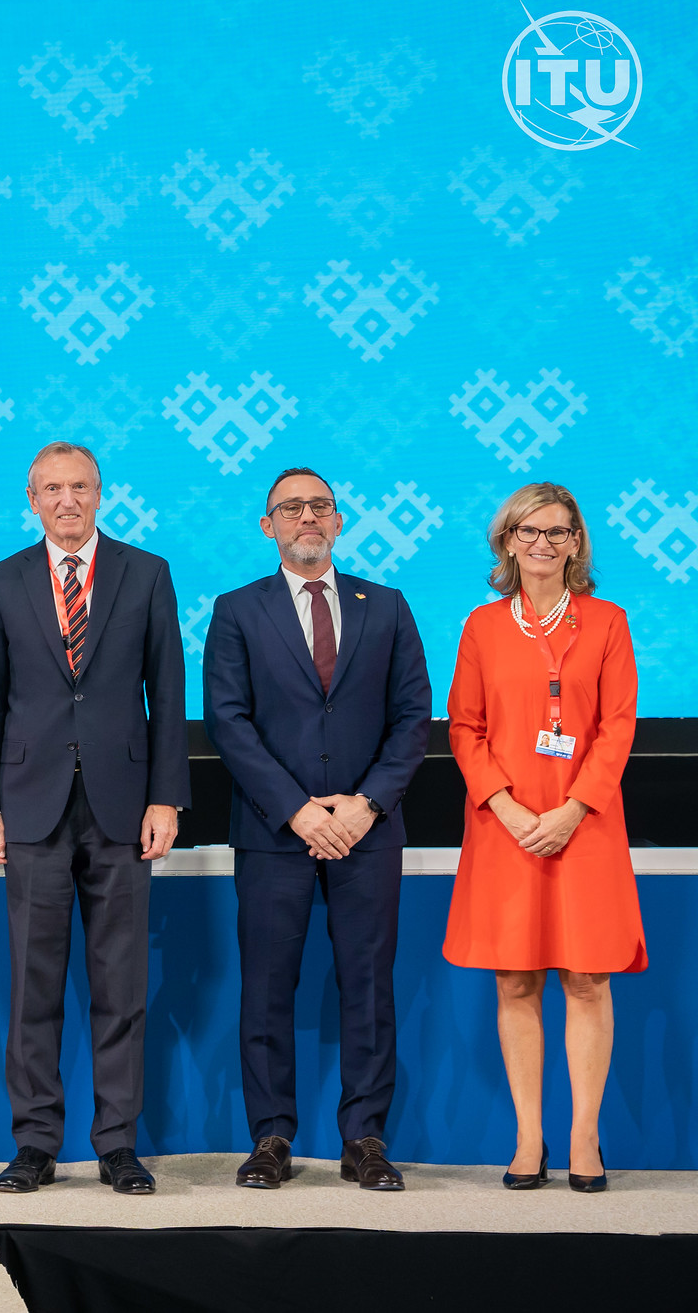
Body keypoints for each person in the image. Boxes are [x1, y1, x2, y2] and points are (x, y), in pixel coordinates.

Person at [0, 441, 188, 1196]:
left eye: (81, 487)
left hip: (123, 806)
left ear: (100, 493)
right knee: (33, 988)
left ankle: (117, 1144)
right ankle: (35, 1143)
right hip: (29, 806)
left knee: (120, 985)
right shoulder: (2, 581)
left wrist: (166, 797)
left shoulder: (146, 572)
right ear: (32, 499)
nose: (68, 500)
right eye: (53, 489)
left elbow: (168, 693)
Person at [202, 468, 430, 1192]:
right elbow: (227, 721)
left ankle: (365, 1138)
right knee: (268, 988)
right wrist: (296, 808)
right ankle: (271, 1136)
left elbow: (412, 717)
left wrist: (368, 804)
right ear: (267, 525)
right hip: (276, 832)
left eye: (320, 506)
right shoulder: (237, 610)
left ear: (338, 520)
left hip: (368, 831)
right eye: (291, 507)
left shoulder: (386, 605)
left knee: (369, 986)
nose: (307, 516)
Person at [444, 482, 642, 1194]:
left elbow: (618, 726)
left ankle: (584, 1135)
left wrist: (573, 809)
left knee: (587, 977)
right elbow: (464, 727)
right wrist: (504, 805)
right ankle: (530, 1136)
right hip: (507, 827)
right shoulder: (482, 625)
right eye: (528, 531)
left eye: (557, 532)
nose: (542, 544)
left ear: (576, 543)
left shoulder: (608, 622)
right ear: (507, 541)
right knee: (517, 977)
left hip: (585, 825)